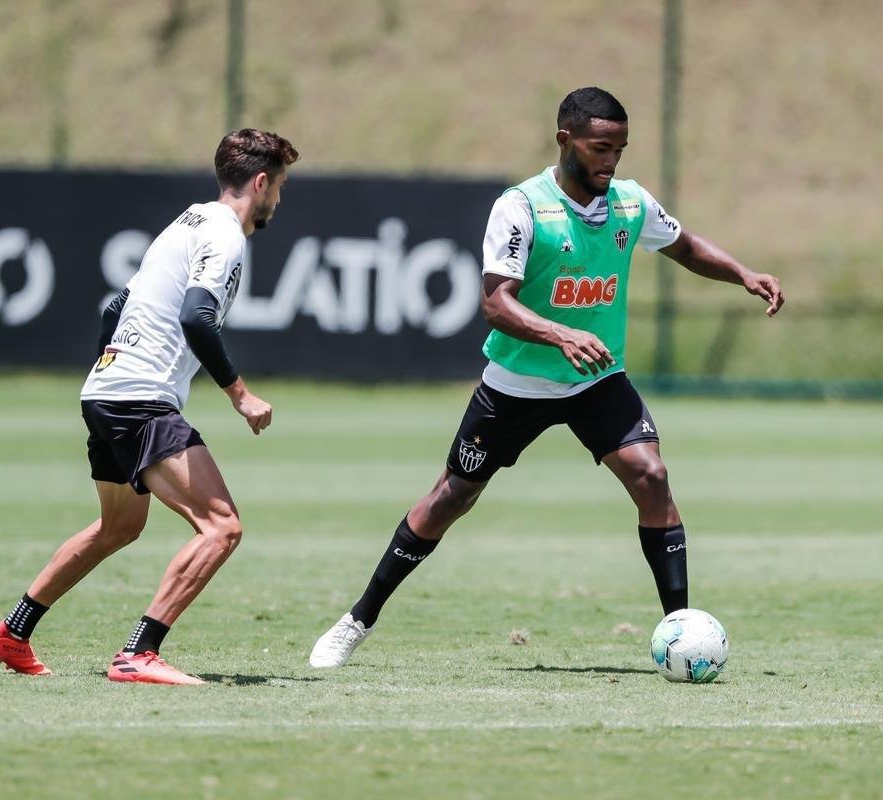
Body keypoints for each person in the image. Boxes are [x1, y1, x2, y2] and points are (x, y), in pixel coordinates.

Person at [309, 87, 783, 668]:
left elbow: (683, 246)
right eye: (600, 147)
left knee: (651, 476)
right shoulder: (522, 207)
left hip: (596, 378)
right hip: (517, 383)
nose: (611, 161)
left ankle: (680, 629)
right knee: (452, 497)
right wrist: (563, 334)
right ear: (565, 140)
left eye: (620, 149)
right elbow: (495, 303)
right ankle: (357, 619)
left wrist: (743, 273)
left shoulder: (630, 203)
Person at [0, 129, 298, 684]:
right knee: (221, 527)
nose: (280, 200)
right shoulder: (224, 237)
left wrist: (118, 364)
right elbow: (197, 316)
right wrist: (239, 394)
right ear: (262, 181)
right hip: (138, 399)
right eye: (281, 187)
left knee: (118, 527)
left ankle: (12, 632)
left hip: (107, 389)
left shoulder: (187, 220)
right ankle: (138, 653)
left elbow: (116, 306)